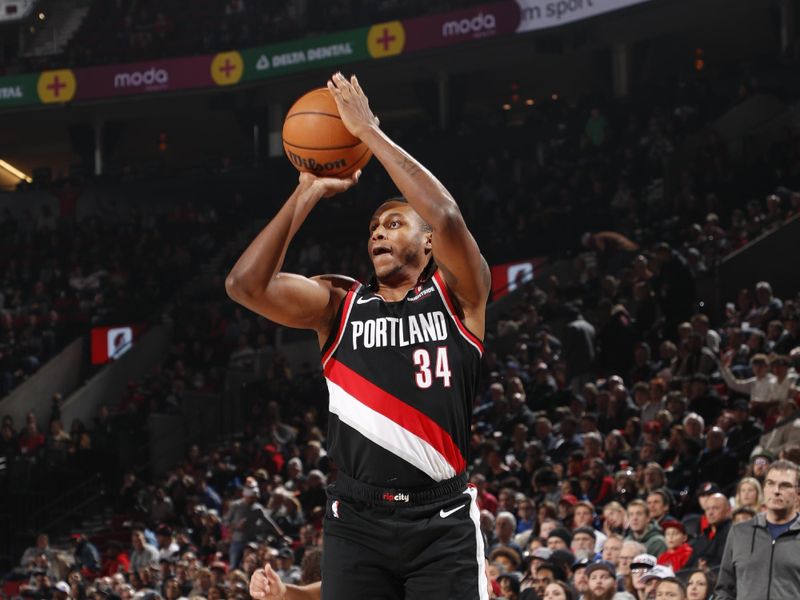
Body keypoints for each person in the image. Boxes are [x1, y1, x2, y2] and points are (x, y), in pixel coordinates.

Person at [226, 72, 490, 600]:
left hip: (442, 517)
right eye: (373, 226)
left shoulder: (461, 297)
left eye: (394, 223)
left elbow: (447, 214)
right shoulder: (340, 304)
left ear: (428, 244)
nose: (378, 231)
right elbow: (245, 286)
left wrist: (367, 132)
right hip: (356, 518)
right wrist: (306, 192)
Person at [716, 459, 800, 599]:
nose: (776, 491)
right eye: (770, 483)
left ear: (797, 493)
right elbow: (725, 588)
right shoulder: (739, 532)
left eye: (785, 485)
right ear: (764, 489)